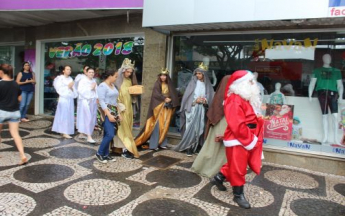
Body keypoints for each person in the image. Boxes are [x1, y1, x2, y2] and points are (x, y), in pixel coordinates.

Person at [211, 70, 264, 209]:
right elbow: (237, 124)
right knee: (239, 167)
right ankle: (238, 194)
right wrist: (250, 140)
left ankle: (218, 177)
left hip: (245, 136)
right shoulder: (234, 99)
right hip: (239, 137)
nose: (254, 84)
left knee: (236, 163)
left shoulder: (244, 98)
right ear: (241, 84)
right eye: (250, 81)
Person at [191, 75, 230, 178]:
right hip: (221, 124)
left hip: (223, 123)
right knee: (217, 148)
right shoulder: (223, 95)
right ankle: (215, 170)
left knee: (217, 149)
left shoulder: (224, 94)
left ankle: (221, 170)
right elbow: (219, 109)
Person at [174, 62, 214, 156]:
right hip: (192, 109)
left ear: (204, 74)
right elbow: (187, 97)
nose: (198, 75)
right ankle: (189, 147)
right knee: (190, 128)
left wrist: (205, 101)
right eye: (197, 73)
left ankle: (197, 146)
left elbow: (210, 97)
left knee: (200, 128)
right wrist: (195, 101)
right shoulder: (192, 84)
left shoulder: (207, 85)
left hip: (202, 110)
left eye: (200, 73)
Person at [135, 68, 180, 150]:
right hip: (159, 108)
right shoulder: (157, 84)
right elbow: (156, 95)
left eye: (164, 76)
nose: (163, 77)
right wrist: (164, 98)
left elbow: (173, 94)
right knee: (157, 126)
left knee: (165, 126)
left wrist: (170, 99)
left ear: (167, 77)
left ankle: (162, 143)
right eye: (161, 75)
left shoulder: (170, 84)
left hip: (167, 108)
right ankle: (154, 144)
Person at [309, 54, 343, 144]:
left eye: (329, 57)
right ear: (323, 59)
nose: (328, 59)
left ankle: (336, 139)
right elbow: (312, 83)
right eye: (326, 57)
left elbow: (340, 85)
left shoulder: (336, 71)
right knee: (324, 116)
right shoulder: (317, 71)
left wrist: (340, 96)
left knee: (335, 116)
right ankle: (325, 137)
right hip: (322, 93)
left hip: (333, 94)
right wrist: (310, 95)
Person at [0, 64, 28, 165]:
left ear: (1, 72)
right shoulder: (15, 84)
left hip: (1, 111)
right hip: (15, 112)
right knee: (16, 134)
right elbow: (20, 99)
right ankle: (22, 155)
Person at [114, 58, 139, 159]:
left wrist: (134, 96)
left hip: (128, 108)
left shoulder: (129, 80)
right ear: (123, 71)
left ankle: (121, 148)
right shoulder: (117, 81)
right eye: (127, 71)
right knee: (122, 128)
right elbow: (114, 95)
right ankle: (125, 149)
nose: (129, 74)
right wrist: (118, 107)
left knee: (128, 128)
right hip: (120, 108)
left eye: (131, 72)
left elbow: (131, 94)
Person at [96, 69, 122, 163]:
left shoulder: (113, 86)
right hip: (106, 112)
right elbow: (101, 101)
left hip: (113, 111)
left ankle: (105, 154)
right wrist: (109, 114)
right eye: (115, 76)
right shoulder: (102, 86)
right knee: (110, 134)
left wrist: (118, 113)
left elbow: (115, 101)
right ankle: (99, 153)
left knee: (108, 134)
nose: (116, 78)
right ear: (109, 76)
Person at [52, 65, 78, 138]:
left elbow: (74, 91)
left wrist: (72, 89)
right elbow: (59, 89)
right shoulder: (60, 79)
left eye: (70, 69)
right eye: (67, 69)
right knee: (63, 114)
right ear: (63, 70)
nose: (69, 71)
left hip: (70, 99)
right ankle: (64, 131)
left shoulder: (70, 79)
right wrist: (68, 87)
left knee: (69, 114)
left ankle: (66, 130)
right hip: (63, 99)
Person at [77, 67, 98, 143]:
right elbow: (80, 91)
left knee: (92, 117)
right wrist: (90, 88)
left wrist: (95, 90)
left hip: (92, 101)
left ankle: (83, 133)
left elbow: (96, 91)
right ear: (87, 73)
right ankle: (89, 136)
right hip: (85, 101)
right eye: (90, 72)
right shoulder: (83, 81)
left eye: (93, 72)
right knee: (87, 117)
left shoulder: (94, 80)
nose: (91, 74)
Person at [75, 65, 89, 139]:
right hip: (82, 99)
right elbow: (76, 86)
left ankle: (87, 130)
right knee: (81, 114)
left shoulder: (92, 79)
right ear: (84, 70)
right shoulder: (80, 77)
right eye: (86, 70)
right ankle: (81, 131)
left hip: (90, 100)